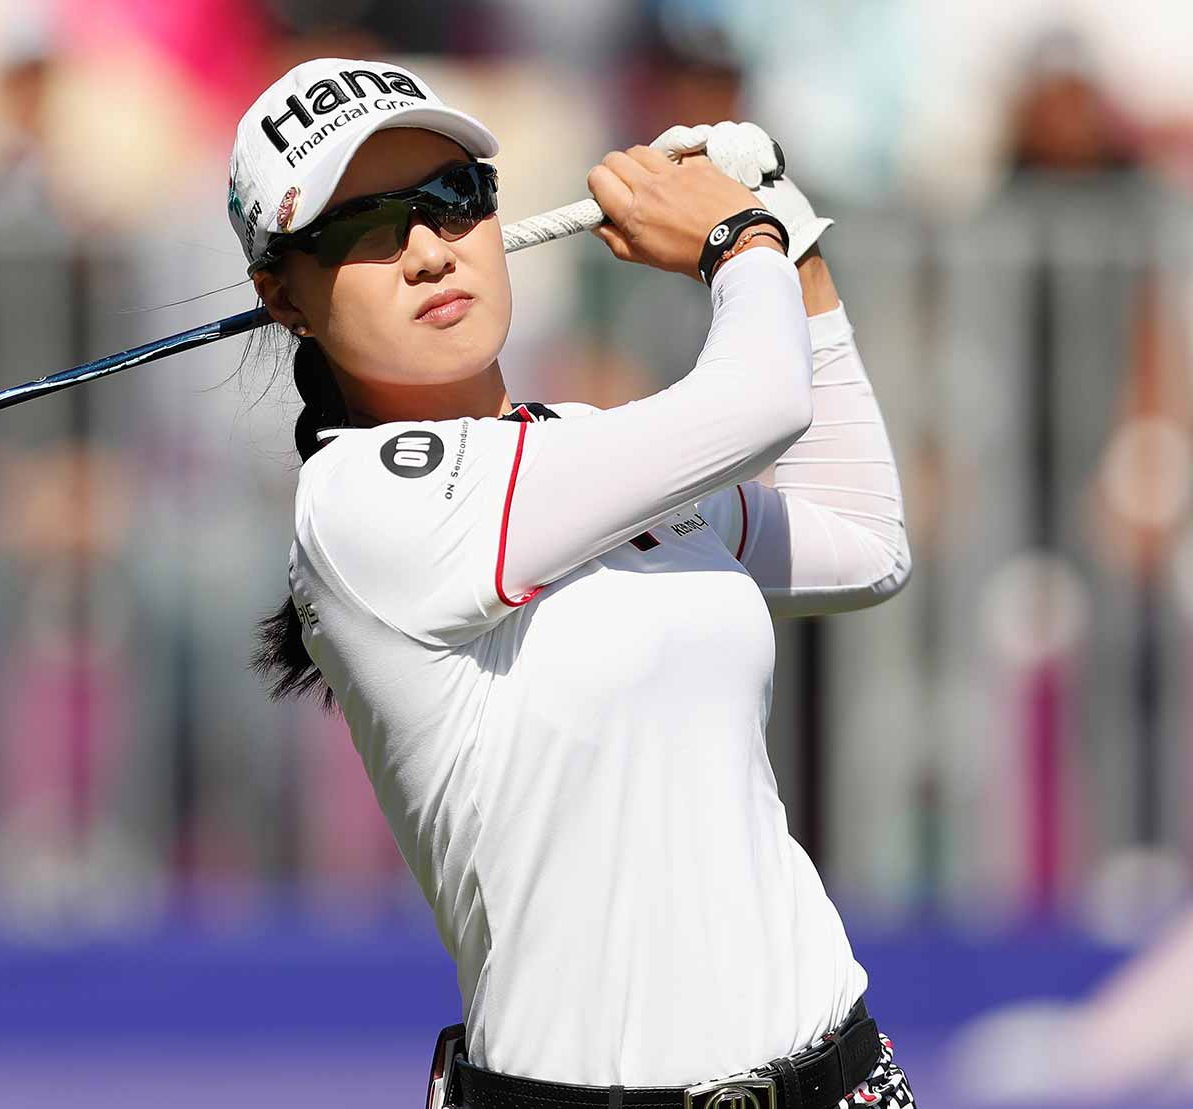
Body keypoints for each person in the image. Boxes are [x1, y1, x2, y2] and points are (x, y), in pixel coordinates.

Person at [230, 59, 914, 1107]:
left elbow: (863, 544)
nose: (425, 253)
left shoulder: (591, 454)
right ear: (282, 294)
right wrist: (739, 242)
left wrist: (793, 242)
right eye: (362, 228)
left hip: (838, 1078)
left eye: (451, 202)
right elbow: (758, 401)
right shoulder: (361, 503)